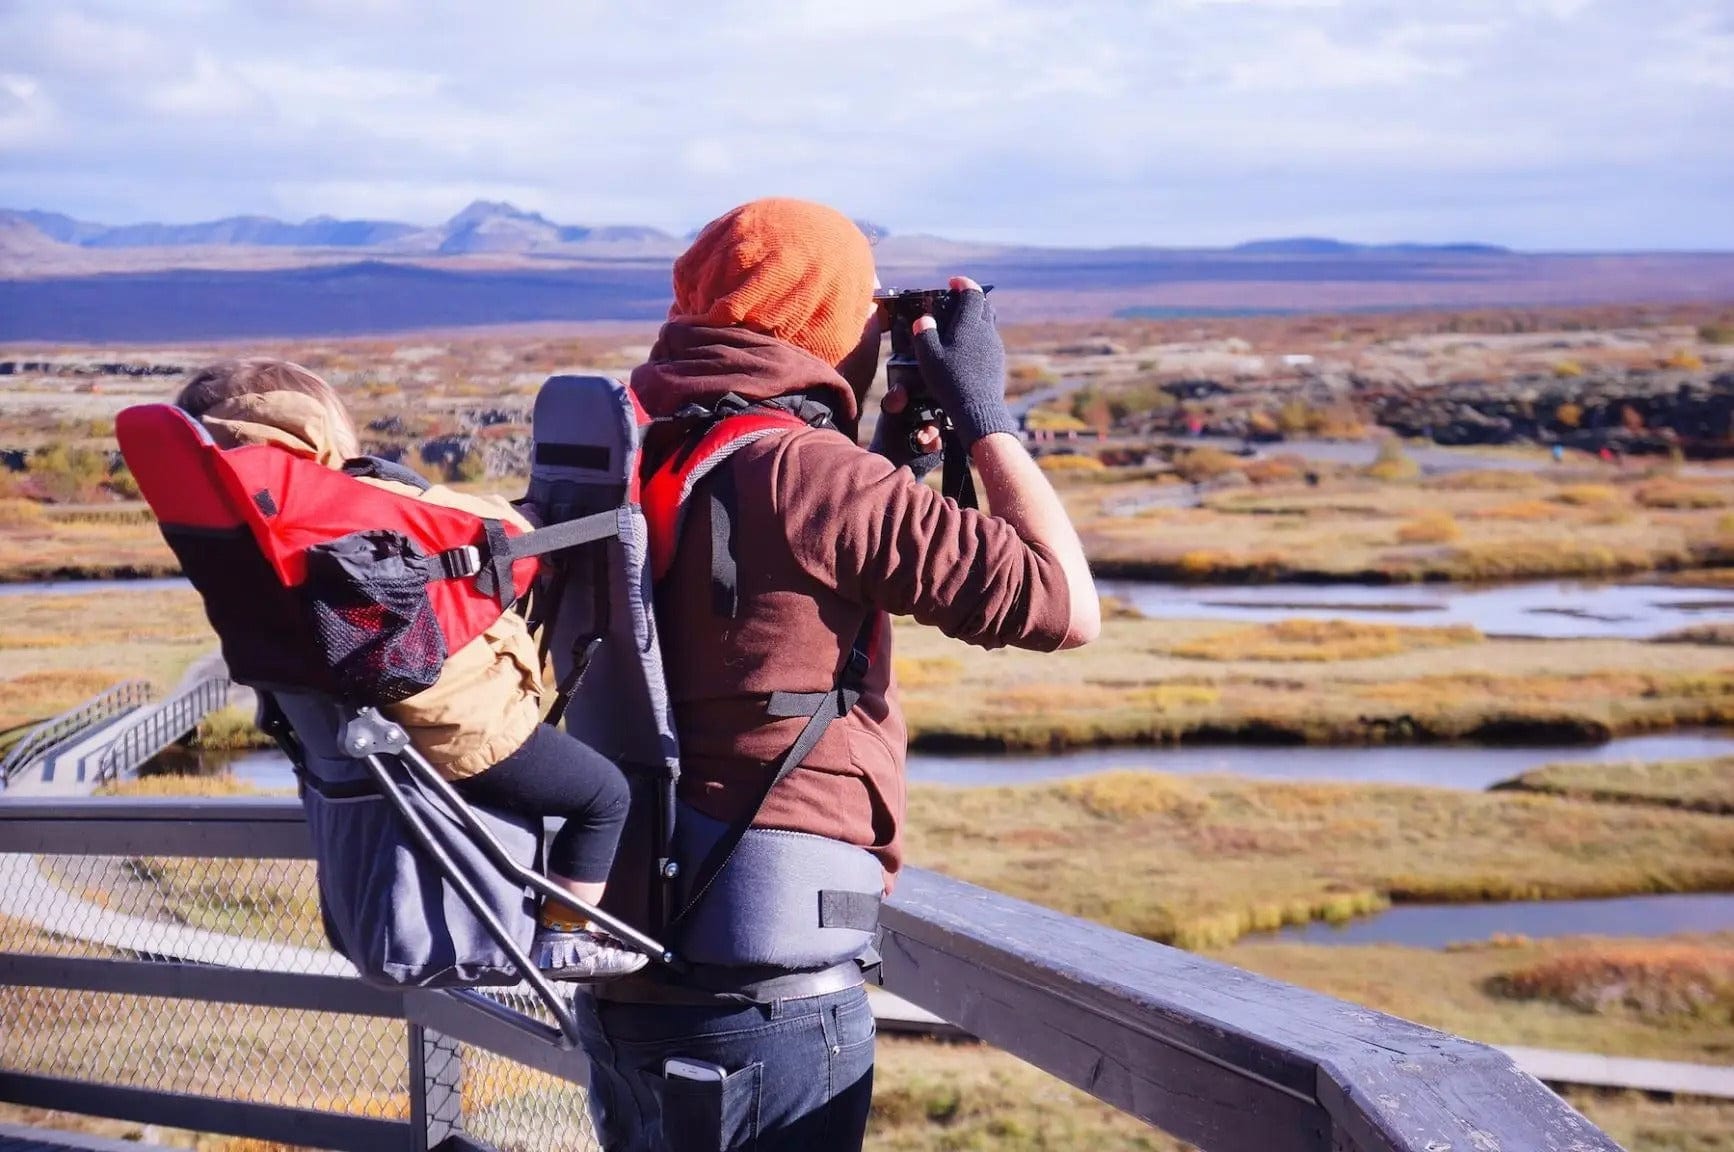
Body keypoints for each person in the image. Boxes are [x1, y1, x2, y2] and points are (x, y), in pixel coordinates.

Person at [574, 198, 1100, 1151]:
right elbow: (1064, 606)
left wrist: (886, 458)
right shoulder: (811, 475)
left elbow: (765, 605)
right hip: (764, 989)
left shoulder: (640, 447)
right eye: (862, 306)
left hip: (628, 973)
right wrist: (987, 413)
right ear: (816, 320)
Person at [173, 358, 646, 980]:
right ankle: (566, 936)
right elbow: (489, 534)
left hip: (380, 729)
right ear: (312, 425)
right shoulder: (344, 498)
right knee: (602, 795)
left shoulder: (257, 516)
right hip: (461, 727)